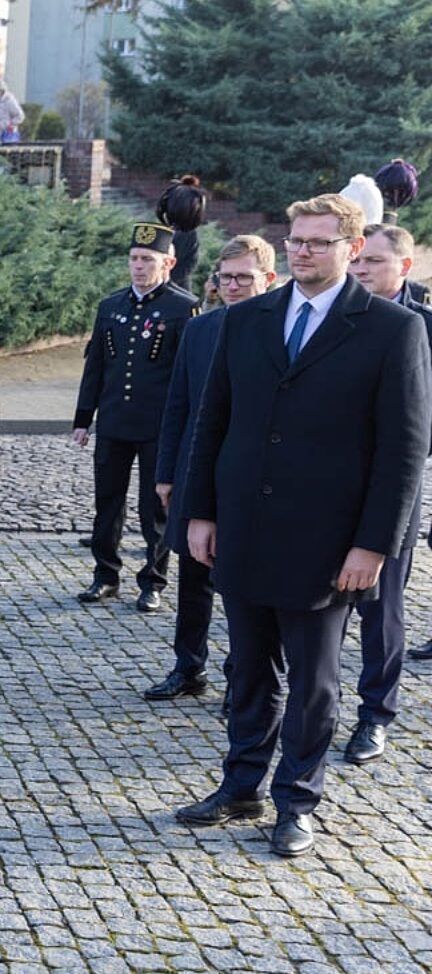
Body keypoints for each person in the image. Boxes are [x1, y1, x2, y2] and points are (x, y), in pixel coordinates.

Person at [176, 194, 430, 858]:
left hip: (328, 541)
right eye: (296, 240)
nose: (303, 252)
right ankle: (240, 787)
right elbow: (212, 422)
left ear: (352, 247)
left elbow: (403, 451)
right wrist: (200, 512)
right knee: (247, 672)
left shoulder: (391, 329)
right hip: (243, 527)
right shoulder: (246, 319)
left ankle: (297, 801)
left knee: (313, 684)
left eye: (319, 242)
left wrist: (374, 545)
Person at [144, 235, 277, 704]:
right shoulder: (200, 329)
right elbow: (177, 404)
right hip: (196, 470)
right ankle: (188, 667)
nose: (232, 286)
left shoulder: (279, 330)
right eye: (225, 277)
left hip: (252, 477)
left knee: (247, 585)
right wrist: (166, 472)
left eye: (244, 277)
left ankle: (244, 677)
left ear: (268, 279)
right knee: (192, 576)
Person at [72, 222, 199, 612]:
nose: (139, 266)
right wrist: (83, 419)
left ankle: (153, 580)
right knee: (107, 503)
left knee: (154, 507)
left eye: (147, 259)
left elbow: (188, 373)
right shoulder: (111, 306)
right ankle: (105, 575)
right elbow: (96, 365)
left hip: (158, 426)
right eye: (134, 258)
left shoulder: (183, 307)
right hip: (114, 421)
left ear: (168, 263)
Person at [343, 223, 432, 762]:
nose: (361, 269)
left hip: (393, 484)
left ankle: (376, 714)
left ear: (405, 267)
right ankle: (308, 706)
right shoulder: (334, 317)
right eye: (358, 260)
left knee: (381, 607)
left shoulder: (423, 326)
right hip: (328, 483)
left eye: (374, 261)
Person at [156, 176, 208, 290]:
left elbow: (189, 264)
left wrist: (167, 279)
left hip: (176, 286)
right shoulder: (162, 231)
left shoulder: (189, 234)